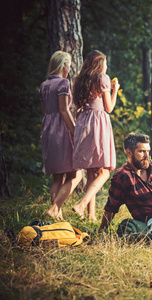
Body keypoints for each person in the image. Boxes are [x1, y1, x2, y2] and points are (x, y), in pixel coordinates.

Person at [71, 50, 120, 221]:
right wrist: (115, 91)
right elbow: (109, 107)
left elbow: (78, 107)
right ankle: (81, 204)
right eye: (105, 63)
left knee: (92, 171)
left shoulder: (79, 81)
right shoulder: (102, 78)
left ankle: (90, 216)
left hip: (83, 121)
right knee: (105, 172)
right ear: (100, 64)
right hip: (98, 122)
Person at [40, 50, 83, 220]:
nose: (70, 67)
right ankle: (55, 208)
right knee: (76, 174)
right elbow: (64, 110)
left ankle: (57, 215)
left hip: (47, 130)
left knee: (57, 177)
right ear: (63, 65)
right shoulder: (63, 83)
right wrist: (75, 132)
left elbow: (44, 112)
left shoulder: (43, 85)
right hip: (62, 130)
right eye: (69, 64)